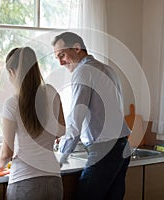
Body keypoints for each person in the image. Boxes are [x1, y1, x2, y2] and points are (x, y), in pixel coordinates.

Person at [52, 32, 131, 200]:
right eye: (57, 58)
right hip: (122, 146)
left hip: (105, 149)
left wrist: (61, 157)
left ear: (77, 48)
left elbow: (76, 119)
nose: (60, 62)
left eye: (62, 55)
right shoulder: (107, 69)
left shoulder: (83, 72)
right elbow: (101, 114)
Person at [0, 47, 65, 200]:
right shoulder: (52, 92)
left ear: (12, 72)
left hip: (24, 181)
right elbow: (61, 131)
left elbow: (7, 153)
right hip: (53, 181)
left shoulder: (12, 104)